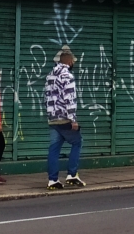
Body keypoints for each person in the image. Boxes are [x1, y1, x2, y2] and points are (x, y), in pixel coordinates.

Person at [45, 48, 86, 189]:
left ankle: (52, 180)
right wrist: (73, 119)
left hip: (53, 118)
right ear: (69, 61)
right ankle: (72, 175)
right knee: (78, 142)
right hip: (64, 118)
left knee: (54, 149)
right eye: (73, 61)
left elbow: (46, 97)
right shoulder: (67, 76)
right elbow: (69, 98)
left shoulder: (50, 75)